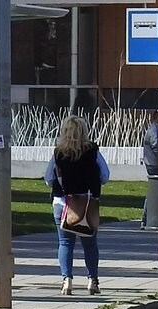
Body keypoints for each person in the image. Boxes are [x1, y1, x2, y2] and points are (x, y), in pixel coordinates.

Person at [46, 115, 110, 295]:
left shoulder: (58, 152)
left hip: (63, 203)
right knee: (90, 244)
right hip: (87, 203)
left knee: (65, 243)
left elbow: (48, 178)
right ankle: (93, 280)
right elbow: (105, 175)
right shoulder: (92, 151)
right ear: (84, 131)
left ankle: (67, 280)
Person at [139, 113, 158, 230]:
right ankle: (147, 218)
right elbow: (156, 147)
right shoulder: (155, 129)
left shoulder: (154, 128)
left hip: (151, 163)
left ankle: (149, 217)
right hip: (154, 164)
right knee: (155, 191)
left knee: (155, 191)